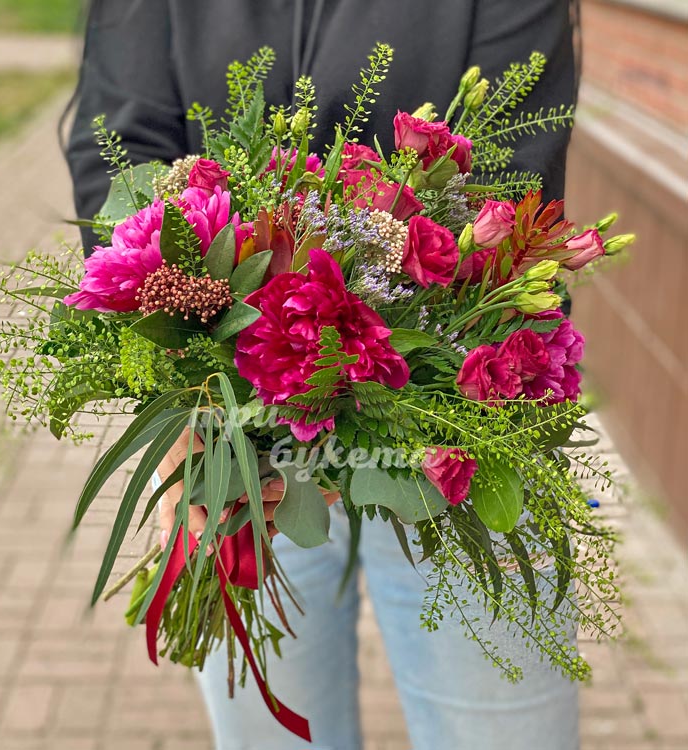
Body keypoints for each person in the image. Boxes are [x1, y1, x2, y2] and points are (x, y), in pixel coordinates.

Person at [65, 2, 581, 748]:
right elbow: (117, 145)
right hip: (235, 441)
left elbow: (515, 183)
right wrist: (185, 390)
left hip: (455, 418)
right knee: (271, 729)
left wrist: (358, 378)